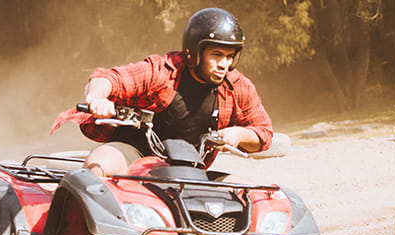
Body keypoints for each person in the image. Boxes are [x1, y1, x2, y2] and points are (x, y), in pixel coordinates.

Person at [52, 7, 273, 177]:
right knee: (99, 166)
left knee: (243, 194)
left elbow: (264, 133)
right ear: (194, 51)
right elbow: (108, 78)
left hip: (190, 169)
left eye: (229, 56)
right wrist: (97, 98)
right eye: (216, 54)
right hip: (134, 153)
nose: (224, 63)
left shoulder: (237, 86)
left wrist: (239, 134)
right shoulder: (161, 71)